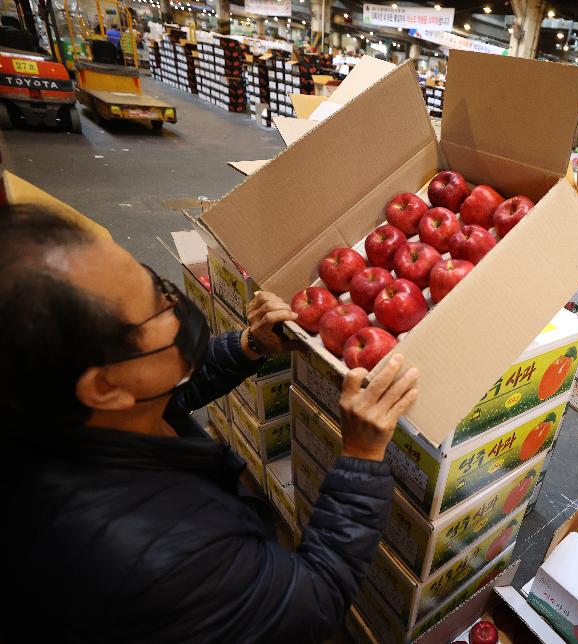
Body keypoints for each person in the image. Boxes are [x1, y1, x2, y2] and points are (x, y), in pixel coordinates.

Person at [0, 204, 418, 642]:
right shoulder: (165, 558)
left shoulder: (61, 415)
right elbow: (313, 603)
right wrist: (362, 457)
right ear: (103, 387)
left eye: (158, 284)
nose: (175, 303)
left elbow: (168, 395)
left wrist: (249, 345)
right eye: (158, 307)